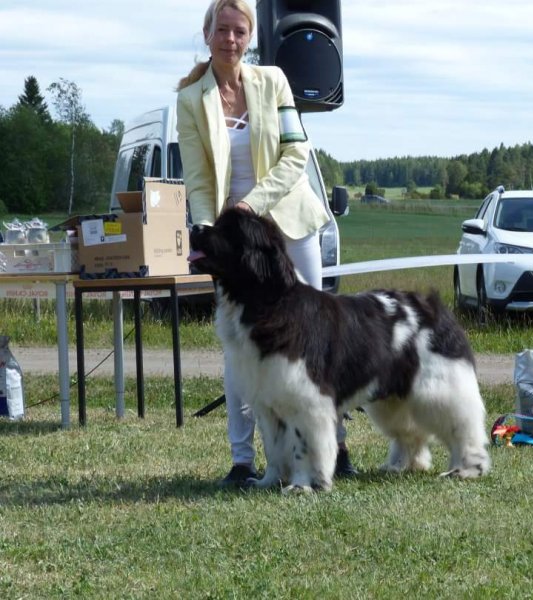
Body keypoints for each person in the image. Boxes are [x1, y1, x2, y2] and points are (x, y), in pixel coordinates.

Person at [176, 0, 357, 486]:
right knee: (238, 349)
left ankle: (334, 447)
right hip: (235, 244)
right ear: (207, 33)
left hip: (288, 224)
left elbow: (297, 153)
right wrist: (204, 236)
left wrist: (252, 204)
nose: (230, 40)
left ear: (249, 38)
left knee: (318, 339)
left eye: (239, 32)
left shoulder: (273, 81)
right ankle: (242, 458)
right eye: (222, 31)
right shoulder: (191, 98)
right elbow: (196, 179)